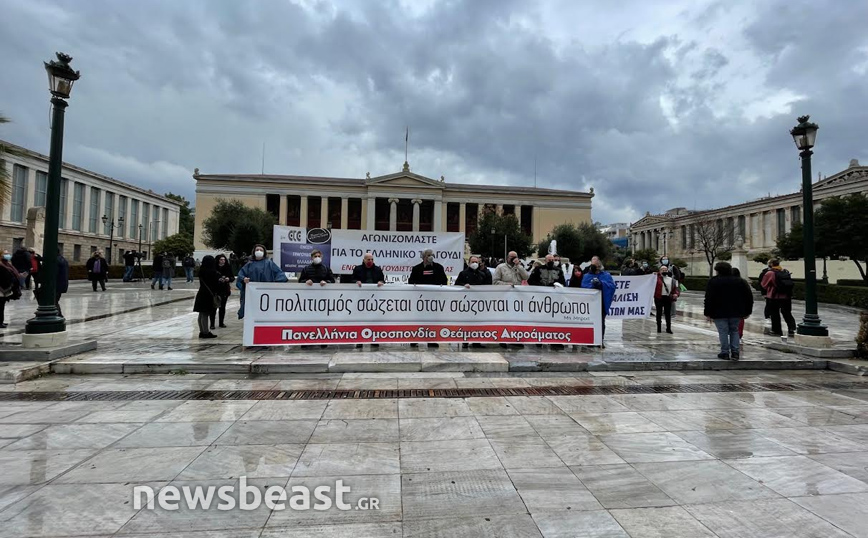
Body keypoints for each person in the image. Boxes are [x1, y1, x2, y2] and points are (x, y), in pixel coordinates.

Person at [704, 261, 754, 360]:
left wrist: (708, 312)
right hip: (736, 311)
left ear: (717, 271)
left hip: (719, 312)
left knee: (723, 332)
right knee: (734, 331)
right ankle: (735, 352)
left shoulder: (713, 281)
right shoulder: (740, 281)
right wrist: (748, 311)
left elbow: (709, 298)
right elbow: (749, 297)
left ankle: (725, 352)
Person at [236, 244, 288, 319]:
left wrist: (276, 282)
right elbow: (241, 275)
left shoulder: (269, 263)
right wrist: (244, 279)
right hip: (252, 295)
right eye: (257, 250)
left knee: (265, 312)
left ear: (264, 252)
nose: (259, 251)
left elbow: (280, 275)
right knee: (253, 313)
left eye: (261, 250)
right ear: (254, 252)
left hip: (266, 294)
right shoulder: (249, 264)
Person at [580, 257, 616, 347]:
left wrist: (601, 284)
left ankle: (600, 339)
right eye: (593, 265)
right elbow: (584, 287)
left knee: (601, 321)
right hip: (590, 303)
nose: (594, 267)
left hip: (601, 302)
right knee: (589, 321)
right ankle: (590, 339)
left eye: (596, 265)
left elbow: (611, 286)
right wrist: (592, 286)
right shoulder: (586, 276)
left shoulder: (606, 275)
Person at [761, 259, 796, 337]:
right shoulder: (785, 271)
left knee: (774, 314)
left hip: (774, 296)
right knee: (787, 313)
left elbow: (764, 284)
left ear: (771, 264)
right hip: (786, 296)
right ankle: (792, 329)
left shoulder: (770, 273)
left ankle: (777, 331)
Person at [194, 255, 220, 338]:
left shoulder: (201, 271)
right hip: (208, 295)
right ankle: (206, 332)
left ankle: (202, 331)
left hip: (201, 293)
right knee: (205, 313)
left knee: (201, 314)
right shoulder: (212, 272)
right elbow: (215, 284)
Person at [211, 254, 235, 329]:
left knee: (222, 307)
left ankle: (221, 322)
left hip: (224, 289)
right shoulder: (214, 268)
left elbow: (232, 277)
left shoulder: (227, 267)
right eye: (221, 260)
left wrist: (228, 279)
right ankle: (212, 324)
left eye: (224, 259)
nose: (222, 261)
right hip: (215, 289)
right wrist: (218, 279)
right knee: (214, 307)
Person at [654, 265, 679, 334]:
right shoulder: (656, 278)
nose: (664, 271)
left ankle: (668, 328)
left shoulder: (671, 280)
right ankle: (659, 328)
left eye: (665, 270)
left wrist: (676, 294)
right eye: (662, 269)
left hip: (667, 297)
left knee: (668, 313)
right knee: (659, 313)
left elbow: (675, 289)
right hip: (658, 297)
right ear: (659, 271)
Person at [0, 250, 22, 328]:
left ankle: (1, 321)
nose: (8, 255)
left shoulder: (7, 265)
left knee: (2, 306)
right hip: (1, 289)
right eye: (5, 254)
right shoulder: (1, 265)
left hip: (5, 289)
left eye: (8, 253)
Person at [732, 268, 746, 339]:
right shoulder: (743, 282)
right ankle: (739, 334)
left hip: (731, 304)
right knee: (740, 319)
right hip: (740, 304)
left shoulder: (728, 282)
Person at [55, 248, 69, 317]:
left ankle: (59, 315)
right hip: (62, 284)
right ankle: (59, 314)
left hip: (56, 284)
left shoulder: (56, 260)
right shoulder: (62, 259)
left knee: (54, 301)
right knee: (55, 300)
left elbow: (54, 273)